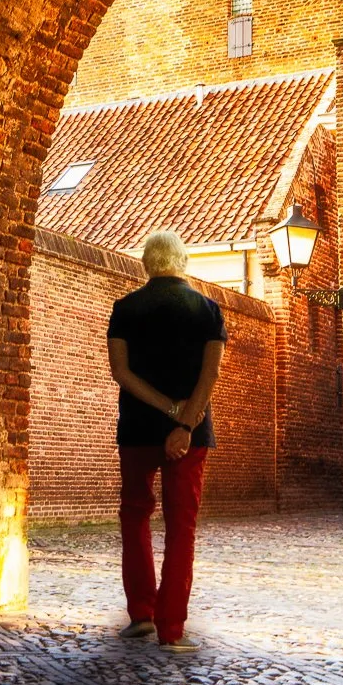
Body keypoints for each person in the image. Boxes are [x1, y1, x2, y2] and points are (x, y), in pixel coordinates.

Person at [105, 228, 225, 653]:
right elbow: (209, 375)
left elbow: (122, 373)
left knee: (134, 516)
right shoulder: (208, 310)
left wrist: (164, 410)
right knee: (181, 527)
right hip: (191, 435)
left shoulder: (125, 309)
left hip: (137, 429)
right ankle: (171, 628)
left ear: (146, 264)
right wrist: (185, 423)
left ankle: (141, 613)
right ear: (183, 263)